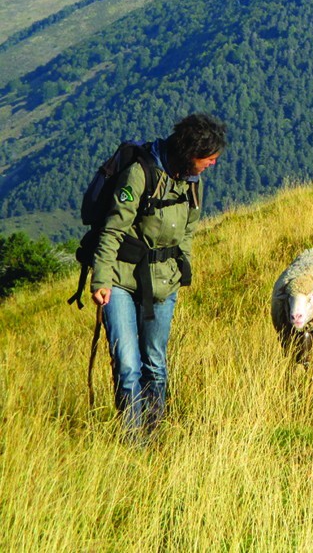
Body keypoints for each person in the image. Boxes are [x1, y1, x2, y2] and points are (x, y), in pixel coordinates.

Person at [91, 113, 227, 439]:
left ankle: (155, 433)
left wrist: (184, 268)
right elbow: (112, 229)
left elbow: (190, 229)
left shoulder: (193, 183)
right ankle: (132, 441)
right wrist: (101, 280)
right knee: (127, 365)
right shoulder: (139, 175)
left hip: (165, 282)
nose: (212, 163)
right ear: (189, 152)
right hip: (121, 280)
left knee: (154, 363)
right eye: (208, 158)